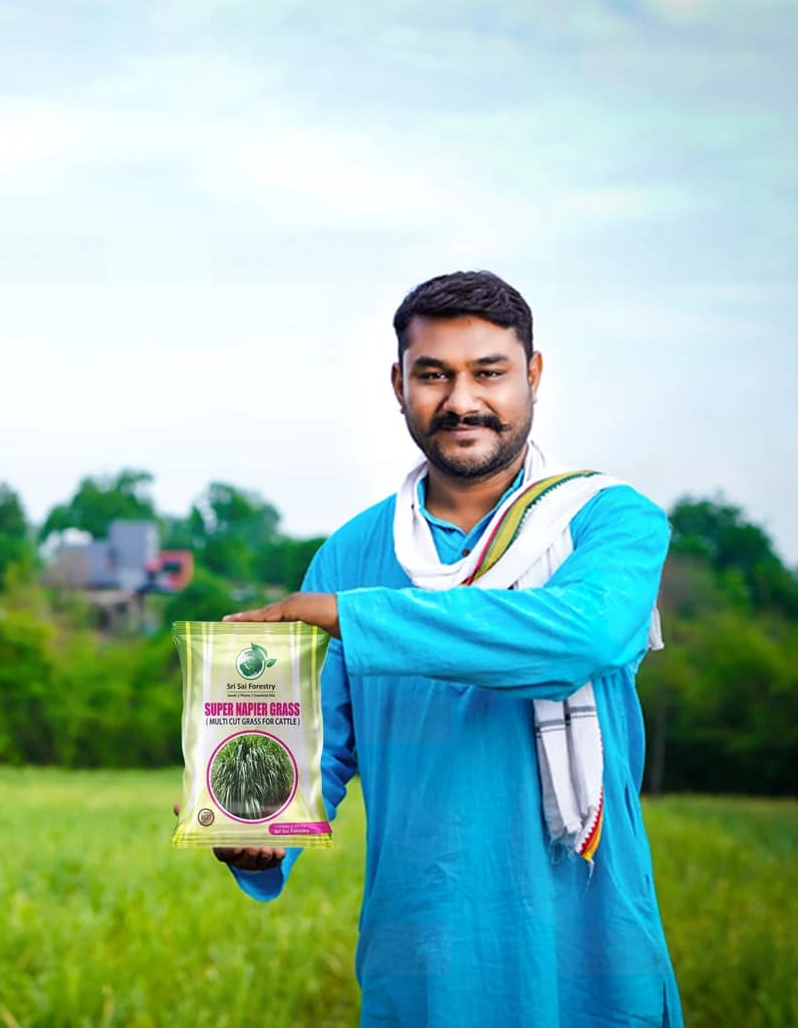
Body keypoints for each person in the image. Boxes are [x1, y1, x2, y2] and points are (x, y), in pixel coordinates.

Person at [219, 271, 683, 1027]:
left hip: (592, 952)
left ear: (532, 375)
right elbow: (320, 751)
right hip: (424, 951)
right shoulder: (351, 553)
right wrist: (262, 834)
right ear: (399, 384)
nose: (461, 400)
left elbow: (582, 635)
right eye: (434, 374)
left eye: (489, 372)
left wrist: (355, 619)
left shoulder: (610, 523)